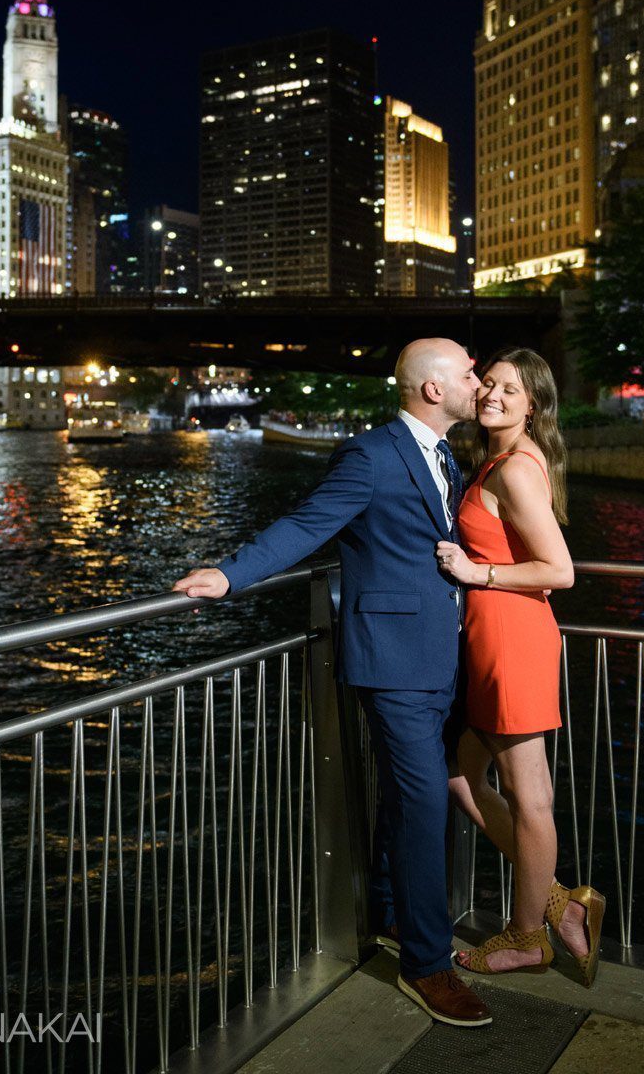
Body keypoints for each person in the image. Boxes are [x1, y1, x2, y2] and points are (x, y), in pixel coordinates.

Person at [172, 337, 493, 1027]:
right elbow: (309, 523)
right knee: (424, 804)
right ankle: (428, 967)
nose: (479, 380)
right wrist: (231, 575)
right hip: (394, 661)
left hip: (439, 653)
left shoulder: (446, 456)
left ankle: (390, 914)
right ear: (433, 389)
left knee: (409, 800)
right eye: (468, 372)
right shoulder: (372, 455)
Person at [435, 347, 605, 986]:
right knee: (459, 774)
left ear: (533, 405)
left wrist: (477, 571)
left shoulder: (515, 470)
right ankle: (556, 898)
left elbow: (559, 570)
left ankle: (527, 936)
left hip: (511, 639)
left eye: (510, 390)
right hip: (494, 638)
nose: (492, 396)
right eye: (489, 385)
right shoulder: (502, 460)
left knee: (530, 798)